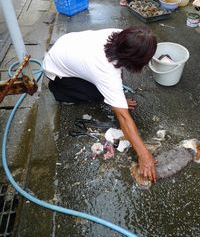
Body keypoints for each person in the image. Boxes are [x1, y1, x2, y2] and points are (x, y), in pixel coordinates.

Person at [43, 26, 158, 182]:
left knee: (108, 92)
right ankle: (62, 93)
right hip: (57, 71)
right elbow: (123, 117)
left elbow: (118, 71)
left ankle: (98, 92)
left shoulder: (121, 35)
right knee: (96, 95)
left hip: (67, 46)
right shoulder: (105, 70)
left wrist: (118, 99)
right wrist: (144, 155)